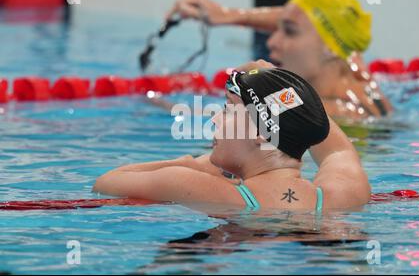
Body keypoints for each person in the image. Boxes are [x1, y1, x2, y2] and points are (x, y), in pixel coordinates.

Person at [94, 66, 371, 212]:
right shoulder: (341, 196)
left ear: (262, 134)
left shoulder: (200, 186)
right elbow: (337, 152)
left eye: (227, 109)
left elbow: (105, 183)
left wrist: (192, 165)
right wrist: (285, 86)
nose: (215, 120)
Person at [165, 0, 393, 119]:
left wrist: (161, 104)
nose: (272, 41)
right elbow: (309, 19)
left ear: (329, 47)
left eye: (289, 32)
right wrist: (227, 15)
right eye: (277, 28)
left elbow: (226, 121)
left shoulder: (328, 111)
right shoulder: (351, 60)